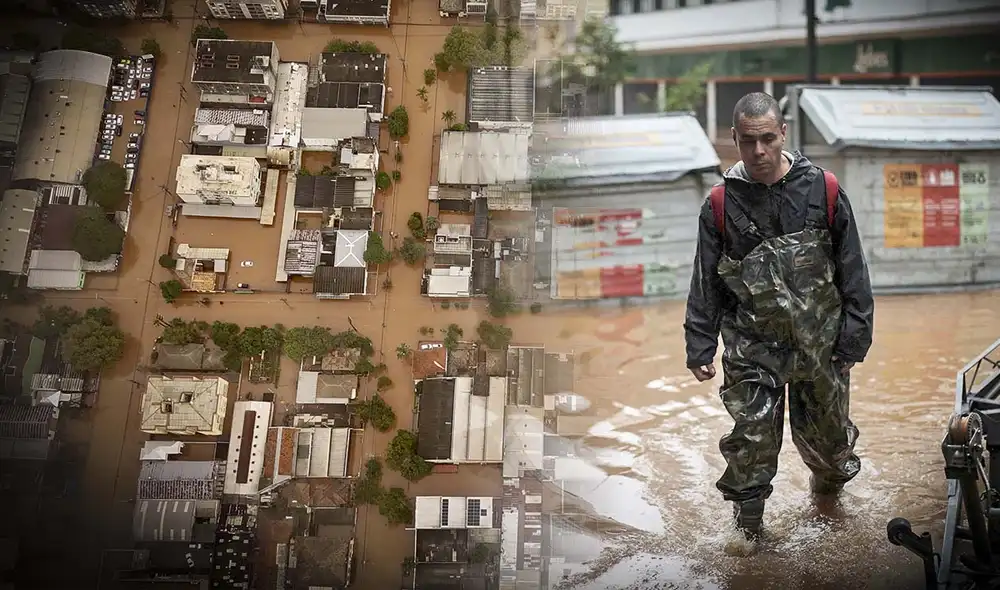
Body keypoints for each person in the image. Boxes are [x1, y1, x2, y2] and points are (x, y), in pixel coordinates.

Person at [683, 92, 874, 540]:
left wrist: (853, 340)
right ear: (734, 139)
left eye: (768, 139)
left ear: (783, 133)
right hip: (753, 349)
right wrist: (699, 345)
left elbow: (853, 269)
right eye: (748, 142)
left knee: (830, 448)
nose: (759, 152)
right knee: (749, 446)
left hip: (821, 346)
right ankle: (749, 540)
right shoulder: (719, 203)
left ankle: (828, 517)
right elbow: (705, 281)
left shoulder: (823, 188)